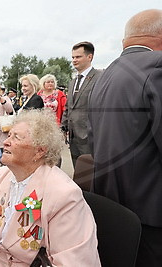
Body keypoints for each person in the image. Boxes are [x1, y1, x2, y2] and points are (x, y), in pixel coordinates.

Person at [0, 109, 100, 266]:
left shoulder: (64, 194)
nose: (6, 142)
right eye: (9, 135)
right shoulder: (1, 175)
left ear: (39, 151)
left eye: (16, 137)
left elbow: (72, 261)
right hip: (1, 257)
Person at [88, 9, 162, 266]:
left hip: (113, 203)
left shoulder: (104, 75)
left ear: (125, 42)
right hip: (151, 209)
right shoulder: (157, 67)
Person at [61, 41, 102, 167]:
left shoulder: (100, 77)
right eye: (73, 57)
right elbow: (69, 107)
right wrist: (63, 127)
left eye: (78, 57)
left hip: (91, 138)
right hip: (73, 138)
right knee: (79, 174)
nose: (74, 60)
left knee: (91, 174)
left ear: (90, 57)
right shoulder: (72, 82)